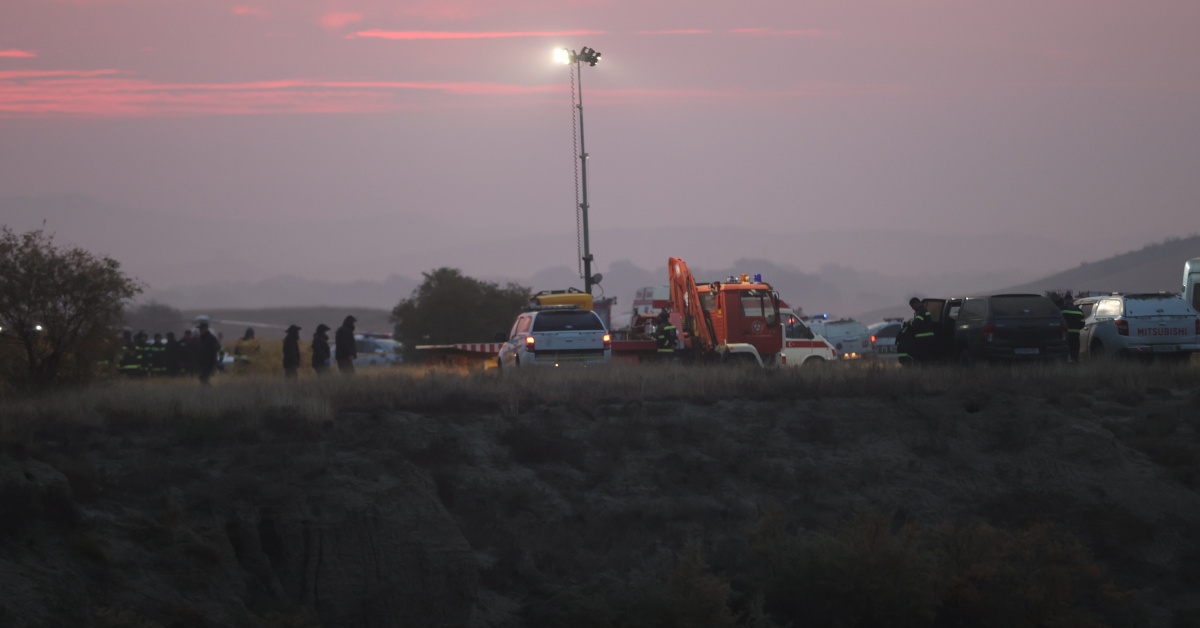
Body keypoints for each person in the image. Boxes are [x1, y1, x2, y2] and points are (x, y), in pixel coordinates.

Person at [898, 297, 935, 366]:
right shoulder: (921, 310)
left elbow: (917, 322)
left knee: (923, 356)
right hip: (925, 337)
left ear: (916, 303)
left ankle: (924, 369)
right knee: (923, 356)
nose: (912, 308)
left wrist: (908, 324)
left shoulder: (921, 311)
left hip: (924, 338)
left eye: (912, 306)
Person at [1058, 292, 1084, 363]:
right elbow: (1082, 323)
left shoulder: (1061, 309)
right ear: (1072, 300)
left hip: (1065, 335)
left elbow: (1058, 322)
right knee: (1075, 354)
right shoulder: (1079, 310)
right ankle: (1076, 368)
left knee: (1064, 355)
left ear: (1065, 301)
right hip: (1076, 335)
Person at [196, 321, 221, 385]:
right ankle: (206, 391)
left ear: (205, 329)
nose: (200, 330)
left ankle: (209, 391)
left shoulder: (211, 338)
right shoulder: (201, 339)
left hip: (209, 363)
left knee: (203, 378)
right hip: (202, 363)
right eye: (200, 329)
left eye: (201, 329)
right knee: (202, 378)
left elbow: (216, 348)